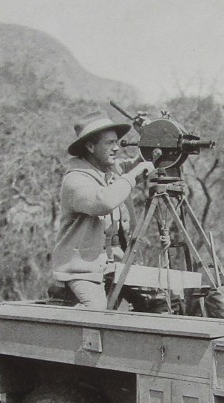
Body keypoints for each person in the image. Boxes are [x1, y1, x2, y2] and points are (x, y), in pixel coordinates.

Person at [52, 110, 155, 310]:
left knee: (156, 300)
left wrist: (149, 136)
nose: (116, 148)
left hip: (114, 264)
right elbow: (104, 201)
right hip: (82, 270)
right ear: (90, 146)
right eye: (109, 143)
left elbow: (143, 163)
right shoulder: (76, 180)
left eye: (116, 142)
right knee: (97, 315)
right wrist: (131, 177)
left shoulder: (111, 171)